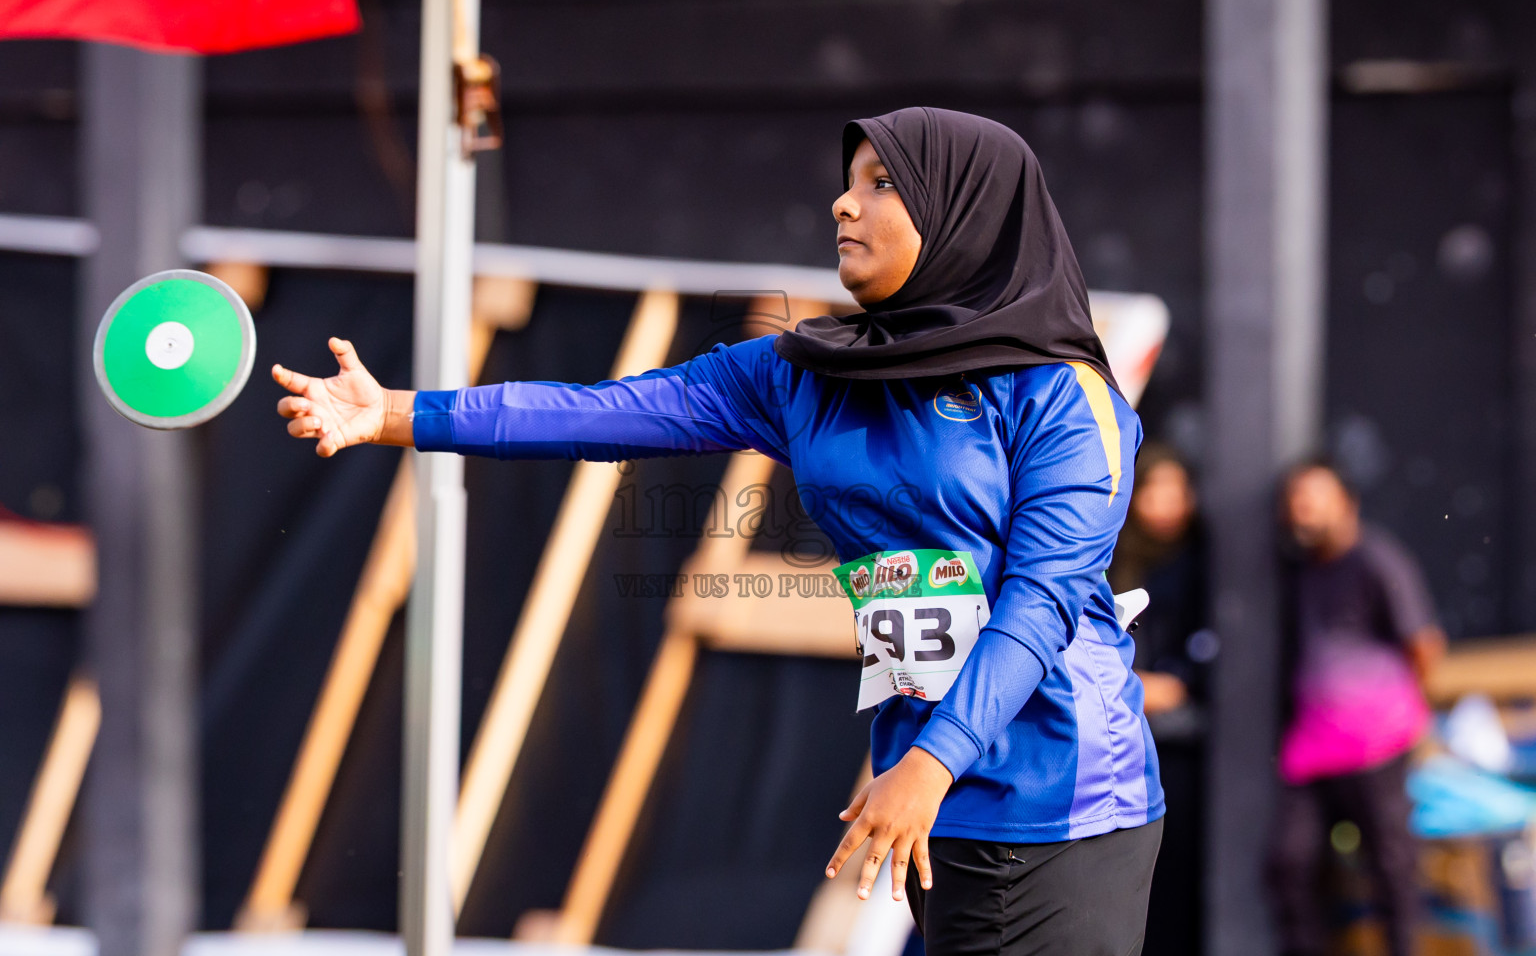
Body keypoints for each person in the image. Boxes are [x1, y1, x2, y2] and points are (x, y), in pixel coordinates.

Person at [273, 107, 1164, 954]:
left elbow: (1040, 600)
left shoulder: (1060, 397)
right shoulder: (805, 372)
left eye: (884, 183)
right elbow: (602, 411)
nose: (843, 203)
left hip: (1061, 791)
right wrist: (396, 413)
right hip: (926, 787)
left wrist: (933, 764)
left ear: (965, 214)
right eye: (847, 182)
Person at [1266, 459, 1446, 956]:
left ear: (1347, 503)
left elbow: (1424, 645)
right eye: (1296, 499)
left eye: (1314, 497)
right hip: (1312, 747)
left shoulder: (1377, 560)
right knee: (1289, 863)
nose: (1303, 510)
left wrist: (1405, 719)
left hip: (1376, 747)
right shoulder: (1299, 569)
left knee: (1392, 870)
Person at [1107, 443, 1208, 956]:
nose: (1168, 503)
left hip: (1183, 750)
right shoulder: (1108, 557)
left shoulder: (1209, 562)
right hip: (1113, 743)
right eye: (1155, 489)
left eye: (1178, 490)